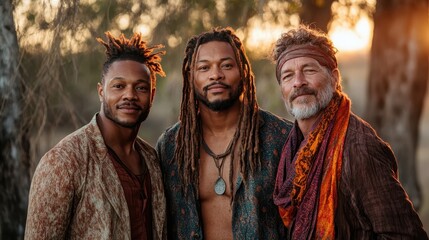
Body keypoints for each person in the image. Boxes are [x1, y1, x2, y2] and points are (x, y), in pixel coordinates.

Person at [272, 25, 428, 239]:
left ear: (334, 78)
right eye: (288, 76)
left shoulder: (358, 147)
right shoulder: (290, 146)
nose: (298, 82)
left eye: (309, 70)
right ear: (282, 89)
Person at [25, 32, 167, 239]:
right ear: (101, 92)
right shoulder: (64, 162)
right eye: (119, 86)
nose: (130, 95)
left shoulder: (152, 159)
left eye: (141, 87)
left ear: (152, 95)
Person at [156, 27, 293, 239]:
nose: (216, 75)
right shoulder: (172, 146)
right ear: (191, 77)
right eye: (204, 68)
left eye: (227, 65)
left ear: (244, 72)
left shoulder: (280, 138)